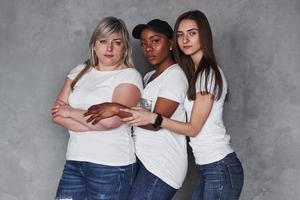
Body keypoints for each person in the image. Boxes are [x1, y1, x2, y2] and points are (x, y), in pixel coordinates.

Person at [120, 10, 244, 200]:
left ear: (204, 35)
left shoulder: (207, 74)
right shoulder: (194, 73)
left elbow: (194, 129)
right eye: (180, 35)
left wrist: (155, 118)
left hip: (220, 165)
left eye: (192, 33)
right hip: (208, 167)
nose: (185, 39)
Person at [84, 19, 189, 200]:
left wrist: (116, 109)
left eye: (155, 41)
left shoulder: (175, 77)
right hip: (144, 160)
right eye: (144, 43)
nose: (148, 48)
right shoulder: (149, 77)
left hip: (161, 166)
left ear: (171, 43)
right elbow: (141, 117)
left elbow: (154, 122)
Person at [51, 16, 143, 200]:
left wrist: (71, 112)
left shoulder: (129, 76)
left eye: (116, 43)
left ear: (124, 48)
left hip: (111, 166)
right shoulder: (80, 71)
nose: (109, 48)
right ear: (94, 45)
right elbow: (56, 115)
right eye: (103, 41)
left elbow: (111, 121)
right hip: (75, 162)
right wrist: (94, 124)